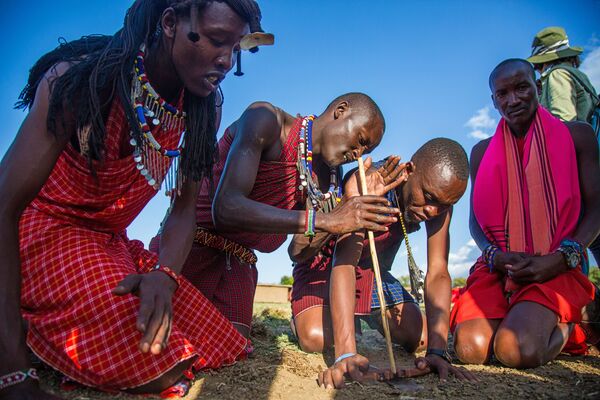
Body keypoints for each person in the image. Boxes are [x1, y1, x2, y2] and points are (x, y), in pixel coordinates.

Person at [0, 1, 270, 398]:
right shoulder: (78, 79)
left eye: (236, 48)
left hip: (109, 245)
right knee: (159, 361)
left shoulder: (202, 107)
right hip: (42, 234)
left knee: (220, 342)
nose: (226, 60)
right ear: (169, 23)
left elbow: (183, 210)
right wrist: (12, 372)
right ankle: (21, 324)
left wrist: (165, 275)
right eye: (216, 40)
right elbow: (4, 206)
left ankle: (53, 322)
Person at [150, 92, 403, 337]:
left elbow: (298, 252)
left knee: (229, 345)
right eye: (360, 140)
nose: (358, 154)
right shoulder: (266, 120)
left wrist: (347, 206)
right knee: (162, 335)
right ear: (340, 111)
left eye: (365, 151)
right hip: (187, 247)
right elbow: (225, 208)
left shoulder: (326, 179)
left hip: (238, 264)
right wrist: (329, 220)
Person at [290, 138, 477, 389]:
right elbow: (343, 261)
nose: (433, 211)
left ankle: (355, 316)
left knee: (420, 337)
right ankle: (316, 316)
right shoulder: (367, 182)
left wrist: (437, 351)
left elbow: (439, 272)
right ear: (409, 171)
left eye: (444, 205)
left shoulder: (440, 203)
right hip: (325, 268)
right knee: (317, 338)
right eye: (429, 197)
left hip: (371, 273)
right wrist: (346, 354)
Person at [451, 59, 600, 368]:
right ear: (494, 100)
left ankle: (573, 325)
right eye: (502, 93)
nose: (513, 99)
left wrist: (562, 258)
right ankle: (523, 316)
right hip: (499, 267)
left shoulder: (578, 136)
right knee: (469, 349)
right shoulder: (480, 153)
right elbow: (475, 222)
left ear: (538, 88)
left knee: (514, 350)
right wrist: (494, 256)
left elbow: (597, 208)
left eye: (521, 88)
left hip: (557, 264)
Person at [526, 26, 600, 266]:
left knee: (573, 241)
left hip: (576, 174)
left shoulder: (556, 75)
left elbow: (563, 125)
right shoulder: (579, 75)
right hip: (591, 169)